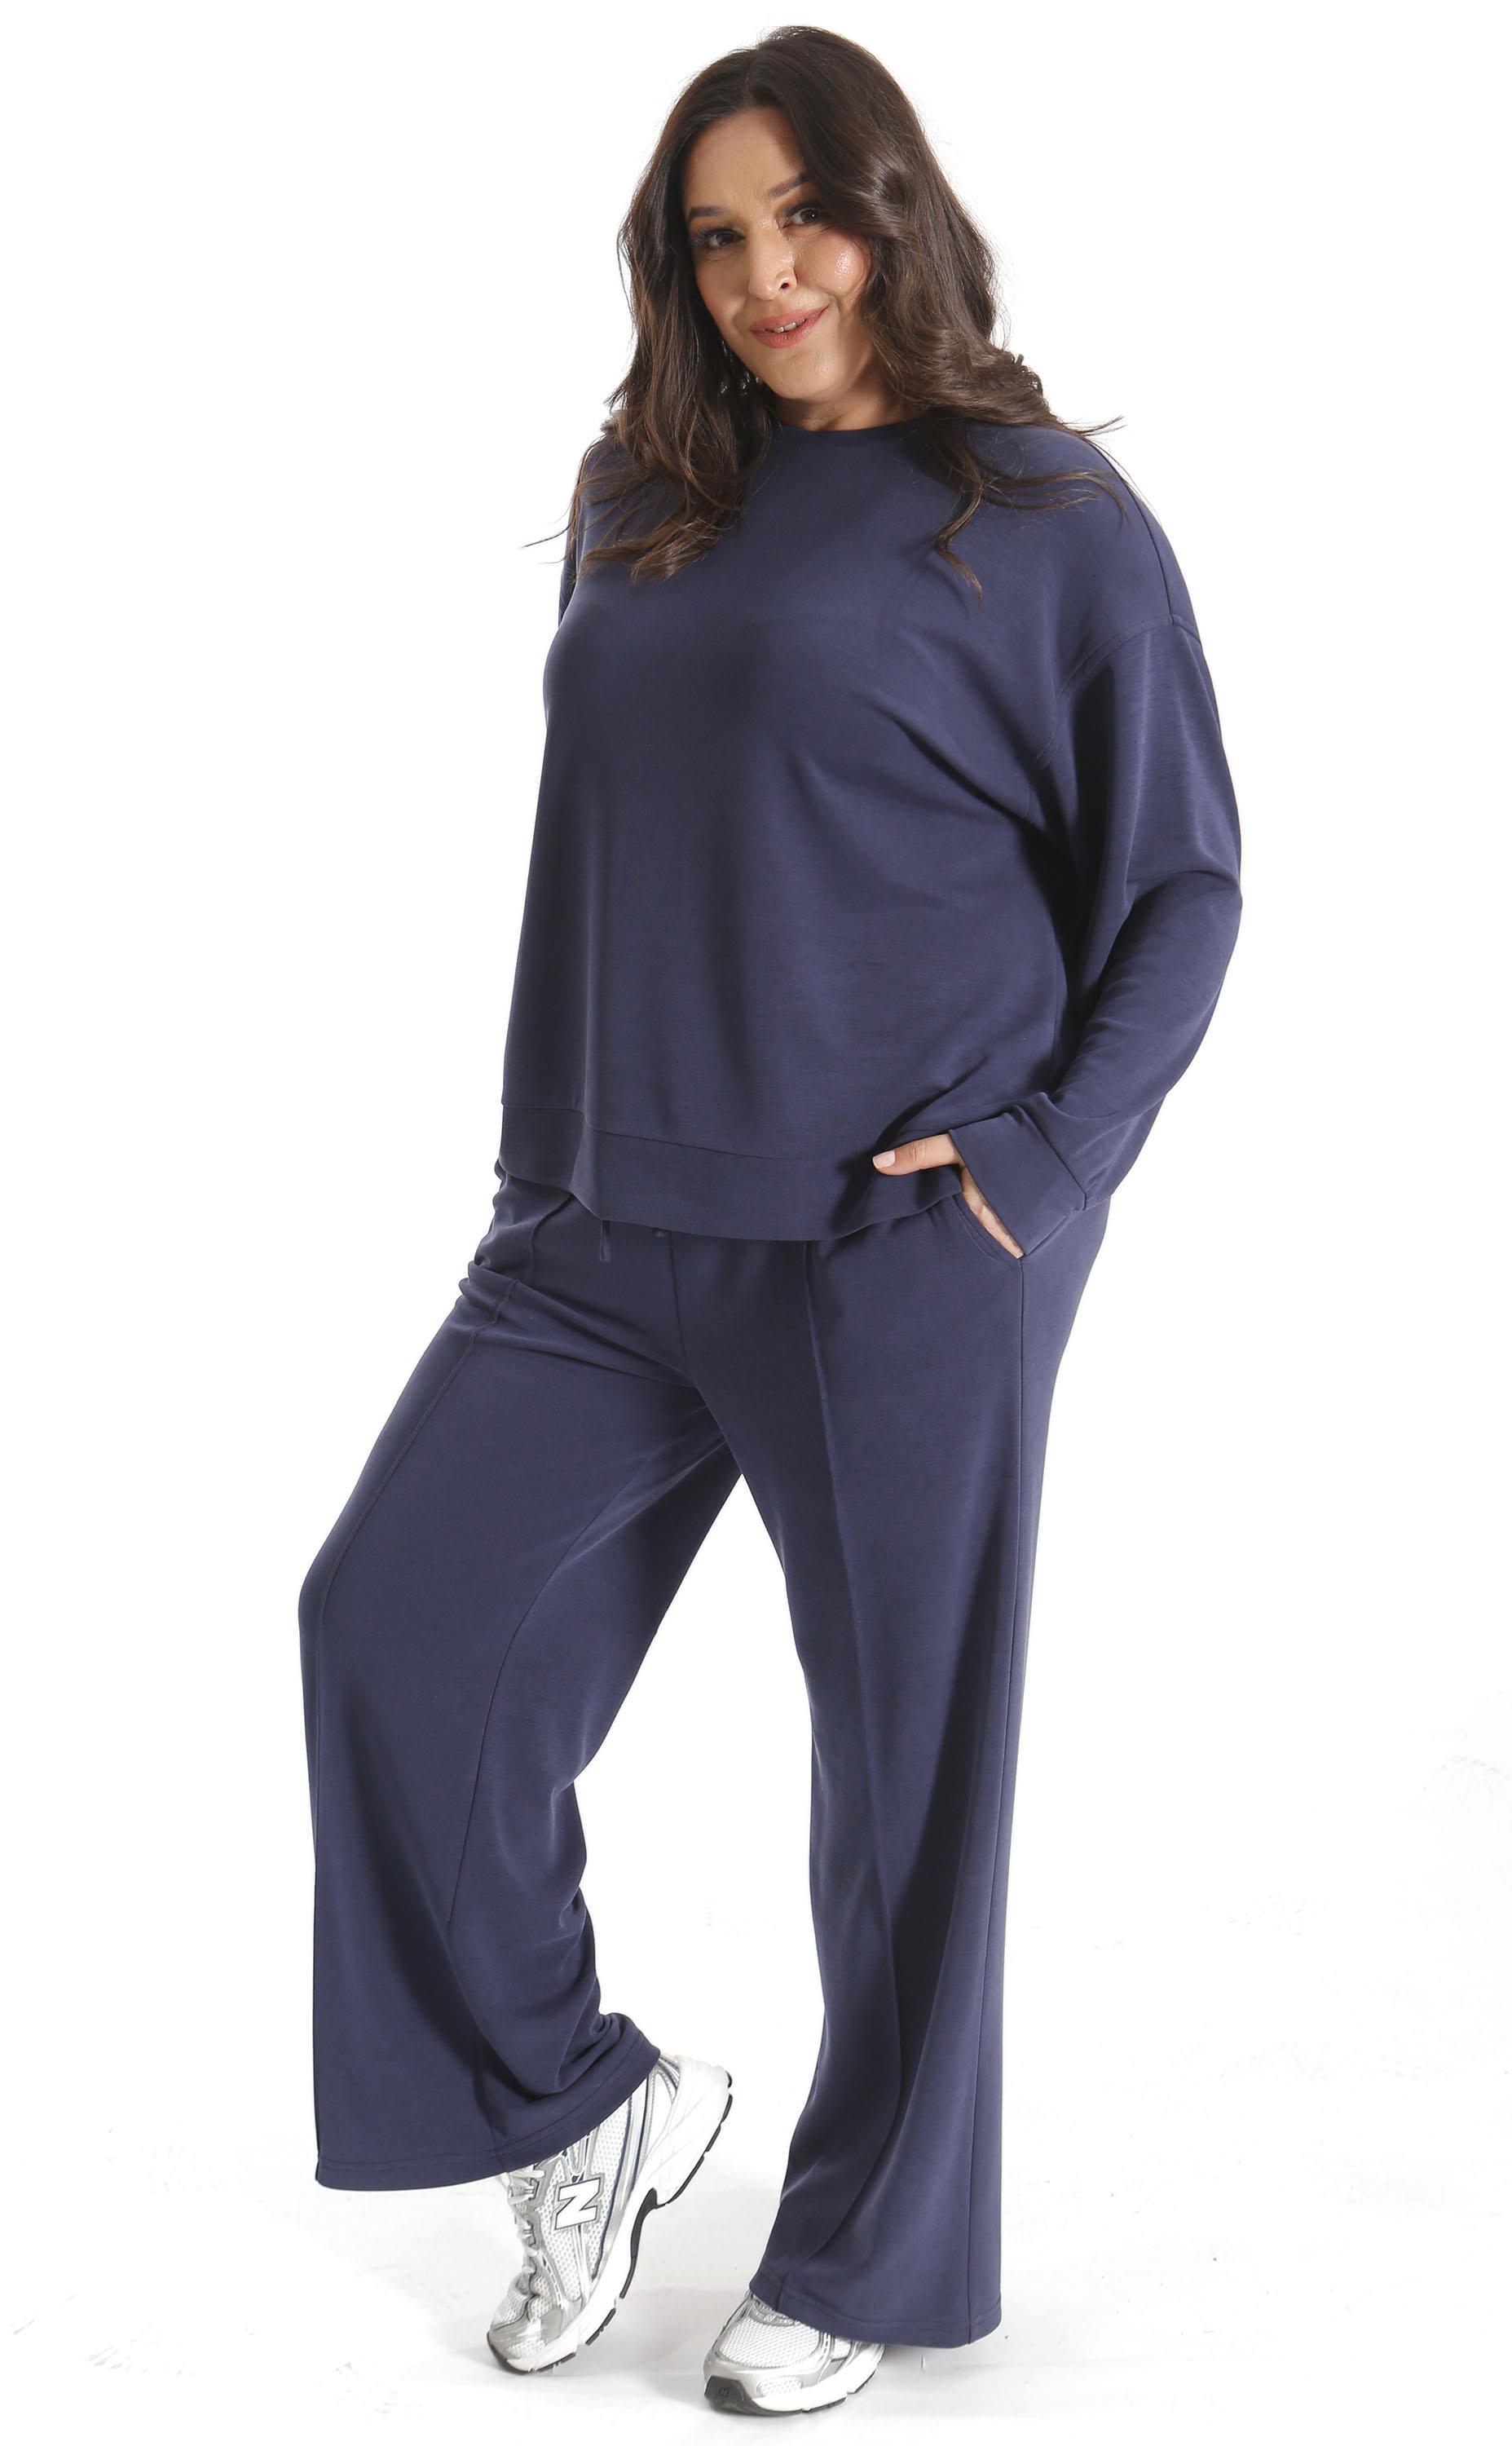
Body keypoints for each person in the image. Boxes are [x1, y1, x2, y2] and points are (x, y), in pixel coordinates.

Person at [297, 24, 1243, 2419]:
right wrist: (537, 1162)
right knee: (390, 1629)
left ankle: (872, 2260)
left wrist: (1036, 1166)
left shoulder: (1037, 513)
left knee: (903, 1777)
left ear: (893, 210)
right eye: (715, 238)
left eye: (805, 216)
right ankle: (576, 2103)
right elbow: (601, 844)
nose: (766, 276)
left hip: (896, 1232)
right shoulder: (648, 482)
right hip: (603, 1215)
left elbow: (1183, 886)